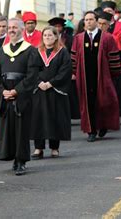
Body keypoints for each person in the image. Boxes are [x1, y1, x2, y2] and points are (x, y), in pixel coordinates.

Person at [0, 18, 38, 175]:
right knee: (8, 128)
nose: (11, 30)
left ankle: (21, 161)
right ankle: (11, 156)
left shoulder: (30, 51)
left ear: (22, 29)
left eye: (14, 27)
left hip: (21, 96)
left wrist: (17, 91)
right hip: (5, 95)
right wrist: (1, 91)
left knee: (21, 129)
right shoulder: (1, 52)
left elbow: (32, 76)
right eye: (9, 27)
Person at [71, 11, 121, 142]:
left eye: (91, 19)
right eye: (86, 20)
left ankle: (104, 125)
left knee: (104, 102)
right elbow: (74, 58)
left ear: (97, 21)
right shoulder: (78, 38)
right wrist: (74, 73)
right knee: (87, 104)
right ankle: (91, 131)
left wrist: (113, 74)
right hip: (84, 77)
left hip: (103, 76)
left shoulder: (107, 38)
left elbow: (114, 58)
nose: (88, 22)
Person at [30, 26, 71, 159]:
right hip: (39, 89)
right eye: (45, 35)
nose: (47, 37)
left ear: (56, 37)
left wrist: (51, 83)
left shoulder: (62, 52)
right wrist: (39, 82)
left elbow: (65, 70)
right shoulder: (36, 52)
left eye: (50, 35)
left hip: (55, 89)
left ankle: (54, 147)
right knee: (38, 119)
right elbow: (31, 70)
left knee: (55, 118)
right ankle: (38, 148)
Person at [49, 17, 80, 120]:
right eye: (55, 26)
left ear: (62, 27)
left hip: (67, 69)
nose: (57, 28)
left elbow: (74, 55)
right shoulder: (47, 38)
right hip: (52, 70)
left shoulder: (69, 38)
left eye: (59, 26)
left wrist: (73, 71)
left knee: (67, 94)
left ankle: (68, 115)